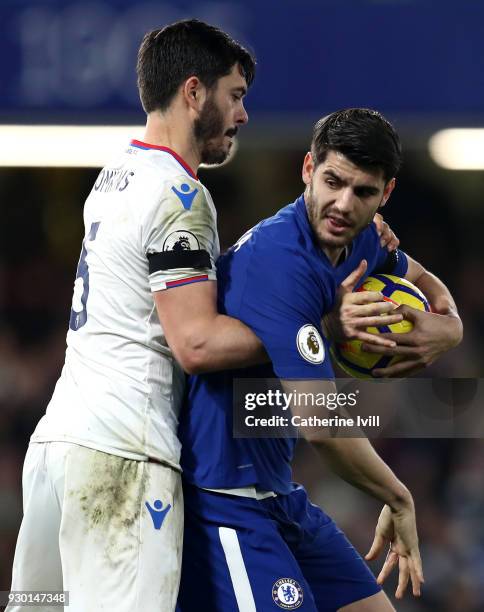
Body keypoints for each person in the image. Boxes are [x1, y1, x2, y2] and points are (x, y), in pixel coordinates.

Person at [7, 19, 264, 612]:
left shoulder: (115, 176)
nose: (243, 115)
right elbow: (195, 344)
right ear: (194, 92)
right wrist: (309, 333)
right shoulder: (181, 195)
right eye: (236, 95)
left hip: (55, 453)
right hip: (123, 459)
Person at [177, 108, 463, 611]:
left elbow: (426, 283)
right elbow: (322, 424)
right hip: (223, 497)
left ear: (385, 195)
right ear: (308, 168)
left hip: (279, 492)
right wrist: (397, 496)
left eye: (363, 192)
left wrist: (450, 328)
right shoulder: (278, 260)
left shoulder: (364, 239)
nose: (343, 204)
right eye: (333, 181)